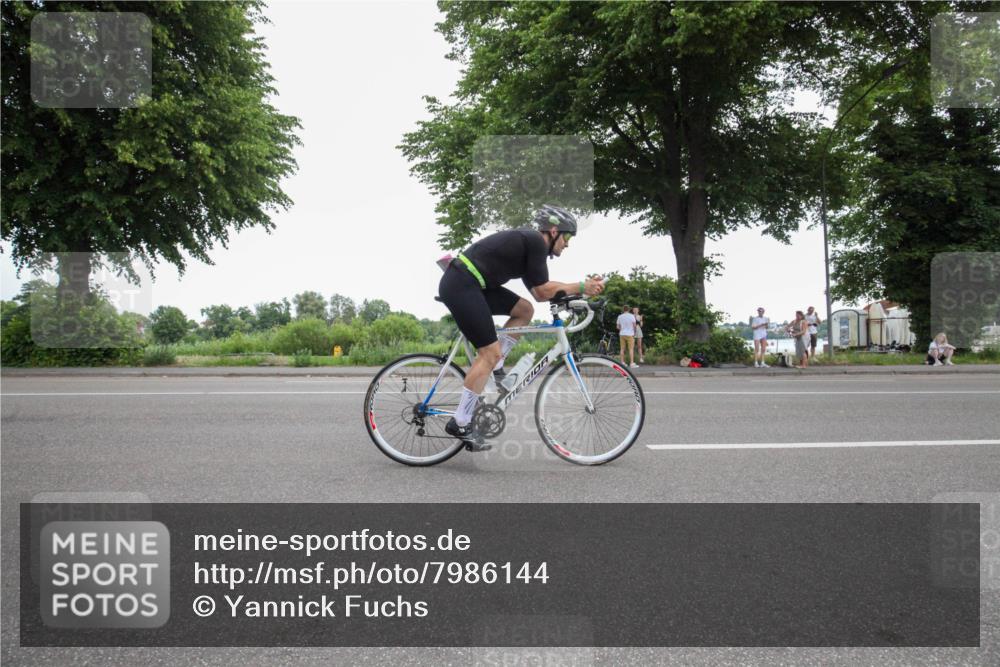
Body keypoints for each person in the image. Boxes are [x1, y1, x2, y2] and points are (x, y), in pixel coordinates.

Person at [437, 204, 605, 450]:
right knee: (488, 353)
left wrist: (575, 292)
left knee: (524, 310)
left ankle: (499, 365)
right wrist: (581, 286)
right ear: (554, 230)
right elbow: (546, 290)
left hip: (473, 283)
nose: (567, 244)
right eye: (567, 237)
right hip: (462, 283)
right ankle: (460, 421)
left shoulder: (530, 248)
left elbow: (539, 293)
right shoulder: (535, 241)